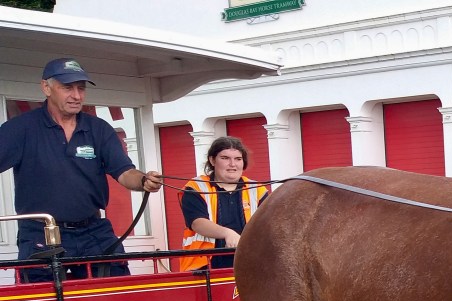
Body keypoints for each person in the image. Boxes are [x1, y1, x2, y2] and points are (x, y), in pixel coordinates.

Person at [0, 57, 161, 282]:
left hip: (94, 231)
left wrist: (144, 180)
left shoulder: (99, 129)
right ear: (46, 87)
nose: (77, 96)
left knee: (115, 295)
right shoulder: (20, 129)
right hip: (40, 232)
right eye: (67, 88)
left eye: (81, 88)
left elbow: (125, 172)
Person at [179, 136, 269, 271]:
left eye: (238, 159)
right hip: (204, 268)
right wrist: (228, 233)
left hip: (251, 266)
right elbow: (197, 223)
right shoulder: (196, 188)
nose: (232, 164)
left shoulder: (257, 190)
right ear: (212, 160)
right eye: (225, 158)